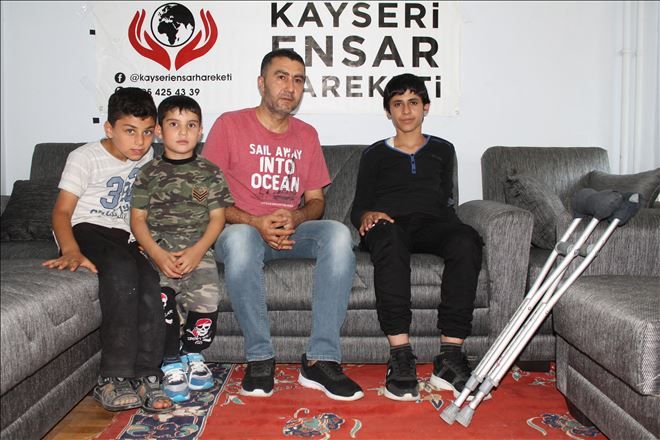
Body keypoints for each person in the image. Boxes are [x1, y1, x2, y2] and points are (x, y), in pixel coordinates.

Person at [203, 48, 363, 401]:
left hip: (292, 231)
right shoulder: (229, 125)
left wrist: (297, 216)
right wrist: (254, 221)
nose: (290, 87)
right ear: (261, 83)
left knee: (338, 234)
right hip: (242, 229)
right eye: (281, 77)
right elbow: (208, 198)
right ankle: (260, 357)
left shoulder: (306, 135)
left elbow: (316, 201)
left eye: (298, 80)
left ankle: (320, 359)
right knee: (242, 240)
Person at [349, 74, 483, 402]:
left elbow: (446, 200)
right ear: (388, 112)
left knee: (467, 239)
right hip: (389, 225)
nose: (406, 110)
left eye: (413, 102)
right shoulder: (373, 154)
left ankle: (450, 357)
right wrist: (367, 215)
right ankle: (400, 355)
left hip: (433, 224)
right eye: (397, 104)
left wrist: (449, 223)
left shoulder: (443, 150)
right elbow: (359, 207)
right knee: (391, 239)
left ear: (426, 107)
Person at [43, 87, 173, 413]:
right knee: (122, 272)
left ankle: (146, 374)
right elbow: (61, 212)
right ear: (109, 128)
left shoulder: (147, 158)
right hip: (86, 230)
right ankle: (112, 377)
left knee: (150, 282)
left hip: (124, 238)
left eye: (147, 132)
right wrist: (70, 250)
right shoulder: (85, 157)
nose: (139, 142)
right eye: (130, 131)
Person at [130, 95, 233, 403]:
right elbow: (137, 220)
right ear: (159, 131)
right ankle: (171, 361)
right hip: (158, 250)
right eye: (174, 124)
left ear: (200, 131)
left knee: (206, 302)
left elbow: (218, 218)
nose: (183, 132)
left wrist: (199, 251)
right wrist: (156, 254)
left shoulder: (210, 172)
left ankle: (192, 354)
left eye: (191, 125)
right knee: (162, 302)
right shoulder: (147, 173)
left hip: (198, 251)